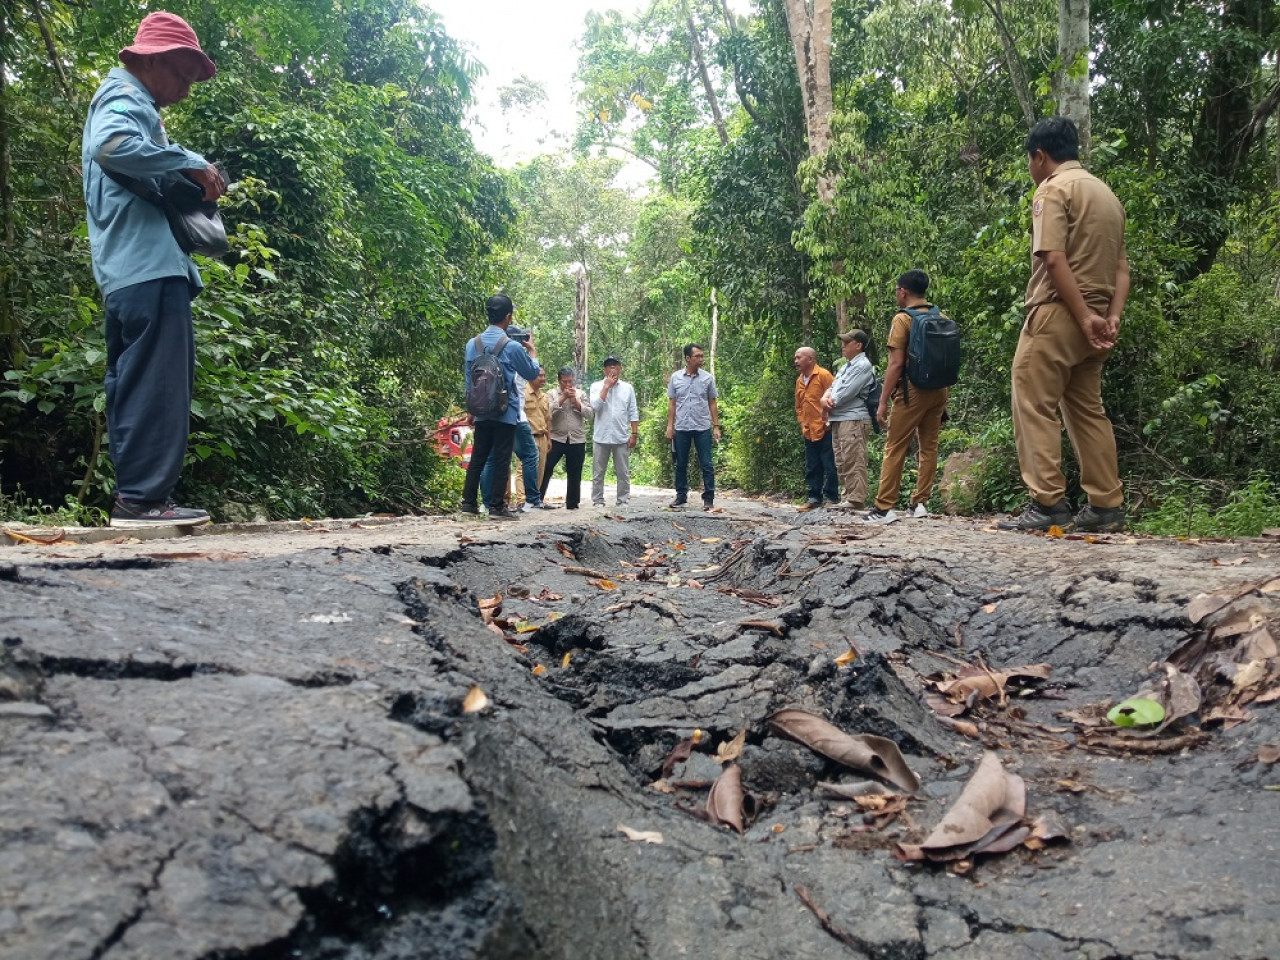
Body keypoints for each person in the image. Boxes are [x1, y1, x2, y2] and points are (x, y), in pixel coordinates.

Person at [82, 12, 226, 528]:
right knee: (157, 382)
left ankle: (138, 498)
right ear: (154, 60)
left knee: (138, 379)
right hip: (145, 267)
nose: (185, 90)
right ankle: (143, 501)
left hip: (130, 268)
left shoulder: (131, 101)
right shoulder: (123, 99)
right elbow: (111, 145)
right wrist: (183, 159)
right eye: (183, 76)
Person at [998, 117, 1130, 534]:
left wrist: (1080, 315)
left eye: (1030, 161)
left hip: (1058, 311)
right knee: (1087, 410)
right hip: (1098, 318)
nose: (1032, 169)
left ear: (1040, 155)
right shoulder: (1108, 196)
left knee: (1032, 400)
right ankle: (1106, 505)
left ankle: (1048, 502)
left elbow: (1053, 259)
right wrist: (1108, 317)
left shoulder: (1053, 189)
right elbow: (1123, 268)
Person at [861, 270, 949, 525]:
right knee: (929, 446)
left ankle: (884, 507)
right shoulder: (940, 315)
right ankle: (919, 503)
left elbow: (896, 364)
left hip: (913, 392)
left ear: (903, 291)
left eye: (897, 290)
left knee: (895, 446)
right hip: (940, 391)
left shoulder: (903, 319)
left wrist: (882, 401)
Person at [460, 296, 541, 520]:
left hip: (481, 410)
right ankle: (497, 507)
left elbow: (469, 380)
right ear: (508, 316)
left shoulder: (472, 344)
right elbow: (532, 374)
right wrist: (532, 353)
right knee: (502, 457)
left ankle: (468, 503)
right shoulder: (512, 346)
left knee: (479, 456)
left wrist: (471, 411)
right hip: (505, 410)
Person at [822, 330, 877, 510]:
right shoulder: (846, 366)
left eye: (847, 343)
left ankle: (856, 499)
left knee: (854, 458)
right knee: (842, 460)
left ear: (858, 345)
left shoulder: (862, 365)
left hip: (853, 418)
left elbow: (845, 393)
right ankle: (847, 497)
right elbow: (832, 386)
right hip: (839, 418)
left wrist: (828, 402)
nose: (843, 346)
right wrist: (826, 396)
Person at [665, 344, 721, 511]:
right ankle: (681, 496)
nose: (701, 359)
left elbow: (712, 402)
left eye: (702, 356)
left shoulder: (707, 378)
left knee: (706, 463)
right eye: (697, 356)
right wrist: (670, 426)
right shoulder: (676, 378)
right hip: (682, 426)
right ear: (688, 358)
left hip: (702, 426)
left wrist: (716, 426)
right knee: (681, 463)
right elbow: (672, 403)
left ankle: (708, 498)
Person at [590, 356, 639, 507]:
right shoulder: (596, 386)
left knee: (623, 472)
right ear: (604, 370)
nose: (613, 369)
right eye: (609, 367)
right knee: (598, 473)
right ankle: (598, 500)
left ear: (620, 368)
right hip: (601, 436)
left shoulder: (628, 388)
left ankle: (622, 500)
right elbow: (595, 407)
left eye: (615, 366)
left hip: (621, 436)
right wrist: (606, 387)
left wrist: (634, 433)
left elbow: (633, 411)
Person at [793, 346, 838, 511]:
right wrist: (802, 421)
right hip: (808, 430)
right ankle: (814, 497)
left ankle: (831, 497)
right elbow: (799, 405)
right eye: (795, 358)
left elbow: (835, 396)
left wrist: (830, 420)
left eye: (799, 358)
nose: (796, 361)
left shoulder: (824, 375)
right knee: (812, 465)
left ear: (810, 359)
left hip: (825, 428)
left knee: (829, 463)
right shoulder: (799, 380)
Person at [541, 367, 592, 509]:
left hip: (577, 438)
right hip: (556, 437)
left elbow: (590, 413)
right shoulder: (550, 394)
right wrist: (562, 398)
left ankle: (572, 503)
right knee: (547, 467)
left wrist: (576, 402)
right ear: (559, 381)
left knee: (575, 471)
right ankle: (538, 498)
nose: (568, 385)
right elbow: (546, 412)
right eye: (565, 382)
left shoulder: (581, 394)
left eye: (570, 381)